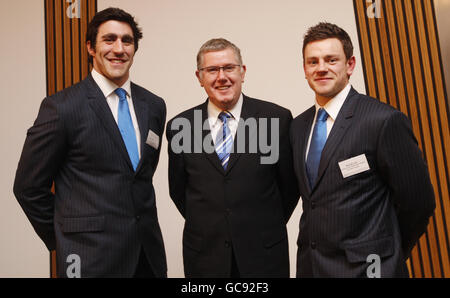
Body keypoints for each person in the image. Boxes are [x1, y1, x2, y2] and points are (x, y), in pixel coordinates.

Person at [13, 7, 167, 278]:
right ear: (91, 48)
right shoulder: (62, 108)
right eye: (109, 40)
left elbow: (139, 178)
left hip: (147, 256)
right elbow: (28, 188)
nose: (119, 48)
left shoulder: (153, 106)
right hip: (88, 259)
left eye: (127, 41)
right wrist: (66, 237)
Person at [290, 22, 436, 277]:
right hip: (312, 268)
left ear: (350, 65)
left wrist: (387, 253)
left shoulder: (382, 120)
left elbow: (419, 203)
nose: (321, 68)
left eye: (331, 59)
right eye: (312, 62)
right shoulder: (298, 127)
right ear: (304, 69)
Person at [166, 38, 299, 278]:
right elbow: (179, 190)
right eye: (212, 70)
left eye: (229, 68)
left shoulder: (276, 119)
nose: (222, 77)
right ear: (199, 77)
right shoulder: (180, 126)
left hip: (264, 256)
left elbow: (289, 189)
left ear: (243, 72)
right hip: (205, 258)